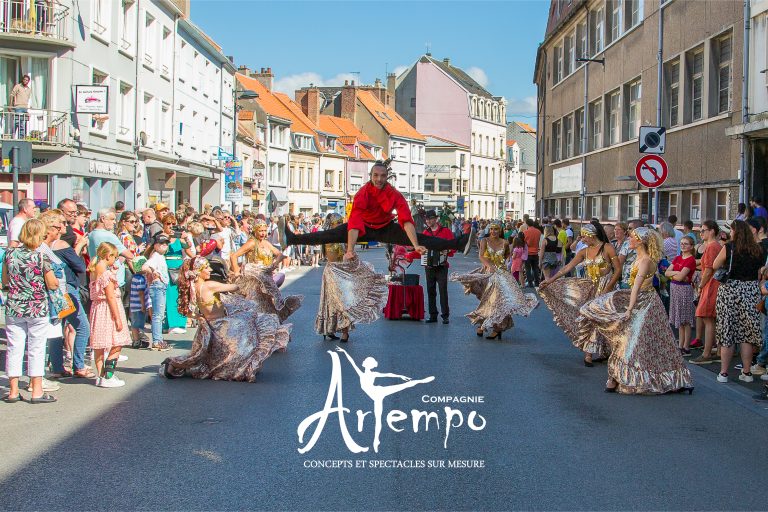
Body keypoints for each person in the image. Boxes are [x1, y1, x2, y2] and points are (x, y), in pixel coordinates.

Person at [577, 228, 694, 394]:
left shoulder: (645, 260)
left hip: (645, 304)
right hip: (640, 300)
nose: (629, 240)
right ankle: (617, 377)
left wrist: (629, 309)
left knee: (634, 341)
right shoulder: (638, 258)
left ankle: (625, 378)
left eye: (632, 238)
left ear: (640, 241)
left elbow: (637, 287)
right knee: (634, 340)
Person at [279, 161, 468, 259]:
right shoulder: (363, 193)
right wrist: (350, 250)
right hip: (364, 227)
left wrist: (415, 244)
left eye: (383, 176)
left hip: (386, 227)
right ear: (370, 176)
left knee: (425, 239)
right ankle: (291, 239)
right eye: (375, 175)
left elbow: (406, 220)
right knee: (328, 235)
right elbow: (354, 222)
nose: (379, 179)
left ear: (387, 177)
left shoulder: (394, 194)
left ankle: (459, 243)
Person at [159, 257, 291, 382]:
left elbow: (185, 311)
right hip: (221, 326)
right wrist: (237, 278)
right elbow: (235, 288)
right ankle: (242, 366)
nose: (210, 270)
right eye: (207, 268)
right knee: (254, 325)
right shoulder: (209, 285)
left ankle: (171, 366)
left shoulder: (194, 288)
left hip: (210, 325)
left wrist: (199, 317)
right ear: (199, 271)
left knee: (204, 356)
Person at [539, 221, 621, 366]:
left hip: (606, 287)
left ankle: (608, 351)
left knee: (606, 320)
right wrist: (550, 280)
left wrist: (609, 287)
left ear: (591, 235)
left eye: (583, 237)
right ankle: (588, 354)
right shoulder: (584, 251)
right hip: (590, 287)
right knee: (588, 318)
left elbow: (617, 270)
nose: (582, 240)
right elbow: (567, 268)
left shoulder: (607, 248)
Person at [2, 219, 60, 403]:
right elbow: (52, 284)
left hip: (14, 306)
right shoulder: (41, 257)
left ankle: (12, 391)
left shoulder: (10, 254)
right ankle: (36, 390)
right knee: (36, 348)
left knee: (14, 347)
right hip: (36, 306)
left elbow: (4, 281)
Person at [450, 222, 538, 340]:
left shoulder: (505, 242)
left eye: (496, 229)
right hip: (488, 274)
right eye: (491, 229)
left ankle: (496, 328)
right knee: (487, 300)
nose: (493, 231)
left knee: (499, 301)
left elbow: (507, 256)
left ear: (499, 230)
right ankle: (483, 323)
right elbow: (481, 256)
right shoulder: (484, 241)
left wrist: (502, 266)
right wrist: (489, 265)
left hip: (502, 274)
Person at [315, 213, 388, 342]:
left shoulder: (345, 237)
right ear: (331, 224)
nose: (340, 225)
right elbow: (328, 256)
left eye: (340, 222)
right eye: (337, 223)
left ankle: (344, 331)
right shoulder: (326, 238)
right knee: (331, 302)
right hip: (332, 272)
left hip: (344, 272)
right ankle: (329, 328)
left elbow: (350, 254)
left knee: (345, 302)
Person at [712, 220, 765, 384]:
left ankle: (724, 373)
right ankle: (747, 372)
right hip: (750, 291)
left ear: (735, 232)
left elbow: (715, 265)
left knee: (727, 330)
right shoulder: (758, 249)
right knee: (747, 333)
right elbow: (760, 270)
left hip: (730, 290)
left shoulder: (729, 248)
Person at [88, 242, 131, 388]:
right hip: (108, 308)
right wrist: (118, 318)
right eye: (115, 256)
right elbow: (110, 297)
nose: (116, 259)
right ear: (108, 256)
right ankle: (108, 375)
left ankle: (101, 375)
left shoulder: (94, 271)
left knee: (100, 344)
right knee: (117, 342)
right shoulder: (106, 275)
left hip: (97, 308)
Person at [406, 209, 456, 324]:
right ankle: (433, 315)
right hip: (429, 267)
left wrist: (447, 251)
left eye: (430, 219)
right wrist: (410, 255)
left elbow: (453, 247)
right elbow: (420, 250)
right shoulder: (425, 233)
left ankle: (445, 316)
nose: (428, 221)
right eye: (427, 219)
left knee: (443, 291)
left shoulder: (446, 232)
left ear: (436, 219)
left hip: (442, 266)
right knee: (430, 291)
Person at [690, 221, 721, 365]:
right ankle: (715, 350)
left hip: (711, 285)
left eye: (703, 230)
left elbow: (709, 269)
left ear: (712, 231)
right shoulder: (714, 246)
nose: (701, 233)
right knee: (710, 319)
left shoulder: (712, 247)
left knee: (707, 318)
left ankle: (707, 353)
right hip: (713, 284)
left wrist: (701, 286)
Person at [159, 214, 194, 334]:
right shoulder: (162, 236)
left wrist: (185, 237)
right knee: (169, 296)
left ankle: (180, 322)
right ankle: (170, 324)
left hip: (179, 266)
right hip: (166, 266)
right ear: (163, 225)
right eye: (168, 224)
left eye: (173, 224)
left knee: (181, 295)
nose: (170, 226)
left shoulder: (179, 237)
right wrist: (166, 238)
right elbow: (159, 250)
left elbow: (188, 246)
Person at [666, 236, 697, 355]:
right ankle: (680, 345)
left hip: (684, 289)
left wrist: (675, 275)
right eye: (682, 243)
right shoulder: (678, 257)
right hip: (675, 288)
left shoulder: (690, 260)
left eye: (686, 244)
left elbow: (678, 277)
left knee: (686, 319)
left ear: (691, 246)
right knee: (679, 318)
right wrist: (677, 273)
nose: (683, 245)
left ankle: (686, 347)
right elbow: (667, 272)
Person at [142, 234, 172, 351]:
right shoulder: (155, 256)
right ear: (155, 245)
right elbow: (145, 267)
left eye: (166, 244)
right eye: (162, 244)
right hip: (157, 286)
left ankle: (158, 339)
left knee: (159, 314)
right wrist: (154, 272)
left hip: (161, 286)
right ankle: (157, 341)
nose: (164, 246)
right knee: (158, 315)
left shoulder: (160, 256)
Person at [129, 256, 151, 348]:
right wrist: (143, 305)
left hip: (133, 304)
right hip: (138, 305)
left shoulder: (134, 277)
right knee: (137, 324)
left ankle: (136, 339)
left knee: (134, 323)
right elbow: (141, 293)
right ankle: (137, 340)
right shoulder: (141, 279)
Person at [9, 74, 31, 138]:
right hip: (18, 107)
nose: (25, 81)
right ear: (22, 80)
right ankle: (12, 138)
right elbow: (12, 95)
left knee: (22, 125)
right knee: (16, 123)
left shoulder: (29, 89)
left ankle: (21, 139)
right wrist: (10, 105)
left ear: (28, 81)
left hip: (25, 108)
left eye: (27, 80)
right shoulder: (18, 86)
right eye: (24, 79)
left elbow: (27, 99)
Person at [523, 218, 542, 287]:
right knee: (535, 268)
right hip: (536, 252)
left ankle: (530, 283)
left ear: (527, 224)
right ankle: (537, 282)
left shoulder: (525, 232)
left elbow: (524, 243)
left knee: (528, 268)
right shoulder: (538, 232)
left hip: (527, 253)